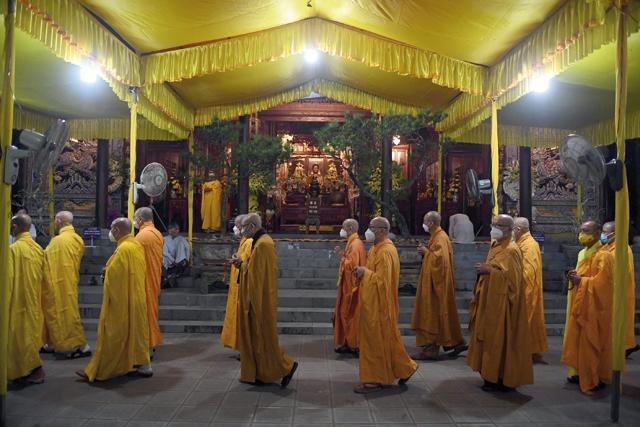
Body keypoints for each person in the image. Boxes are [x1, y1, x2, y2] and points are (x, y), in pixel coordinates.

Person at [77, 218, 151, 381]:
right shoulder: (136, 245)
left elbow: (115, 276)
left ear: (117, 231)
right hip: (136, 297)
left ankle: (104, 369)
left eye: (112, 228)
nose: (110, 232)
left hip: (123, 300)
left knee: (114, 333)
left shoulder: (123, 249)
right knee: (136, 331)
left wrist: (106, 272)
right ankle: (140, 364)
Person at [467, 214, 533, 392]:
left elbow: (513, 282)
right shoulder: (496, 245)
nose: (493, 228)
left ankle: (501, 378)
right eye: (493, 224)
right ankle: (489, 375)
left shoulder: (511, 250)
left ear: (510, 229)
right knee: (488, 340)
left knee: (499, 342)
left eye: (498, 225)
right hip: (490, 301)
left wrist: (490, 271)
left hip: (503, 306)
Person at [353, 217, 418, 394]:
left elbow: (382, 282)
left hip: (380, 304)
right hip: (372, 302)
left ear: (382, 230)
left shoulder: (385, 252)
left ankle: (374, 379)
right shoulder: (376, 248)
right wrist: (363, 272)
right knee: (387, 340)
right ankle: (405, 368)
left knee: (375, 341)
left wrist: (364, 272)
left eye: (371, 227)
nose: (368, 230)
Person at [234, 213, 298, 387]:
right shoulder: (260, 242)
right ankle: (261, 373)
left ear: (253, 226)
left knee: (265, 339)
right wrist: (242, 263)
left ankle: (287, 366)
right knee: (259, 339)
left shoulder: (264, 244)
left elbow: (257, 275)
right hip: (258, 297)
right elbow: (253, 267)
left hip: (260, 300)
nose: (242, 230)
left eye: (244, 227)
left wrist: (243, 266)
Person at [562, 220, 614, 394]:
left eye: (586, 231)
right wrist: (574, 277)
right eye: (581, 230)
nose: (581, 234)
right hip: (579, 302)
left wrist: (581, 281)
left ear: (598, 233)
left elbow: (603, 284)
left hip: (593, 307)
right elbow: (583, 275)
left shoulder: (604, 255)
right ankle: (578, 371)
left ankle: (593, 376)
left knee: (590, 342)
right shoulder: (582, 253)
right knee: (577, 339)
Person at [411, 211, 466, 361]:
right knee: (442, 314)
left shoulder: (440, 237)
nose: (423, 224)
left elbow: (440, 262)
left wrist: (427, 253)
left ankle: (431, 349)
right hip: (436, 283)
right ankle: (454, 343)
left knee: (433, 314)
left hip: (437, 285)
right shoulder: (438, 236)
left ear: (430, 223)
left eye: (424, 221)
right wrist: (427, 253)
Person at [42, 211, 90, 358]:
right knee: (67, 312)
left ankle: (77, 345)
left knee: (63, 313)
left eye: (55, 221)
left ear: (59, 221)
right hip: (70, 281)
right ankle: (54, 342)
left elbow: (45, 261)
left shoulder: (58, 241)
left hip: (59, 283)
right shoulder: (77, 239)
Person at [8, 214, 46, 384]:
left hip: (17, 299)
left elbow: (8, 278)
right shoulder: (37, 248)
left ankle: (32, 369)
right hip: (33, 299)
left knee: (18, 336)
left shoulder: (14, 249)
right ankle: (28, 370)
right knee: (28, 334)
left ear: (15, 227)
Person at [601, 221, 639, 358]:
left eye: (605, 232)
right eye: (602, 231)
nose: (603, 235)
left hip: (618, 294)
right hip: (608, 293)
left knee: (620, 323)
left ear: (615, 233)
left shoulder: (622, 249)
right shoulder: (607, 246)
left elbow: (620, 274)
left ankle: (625, 347)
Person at [513, 217, 548, 363]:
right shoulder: (522, 243)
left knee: (525, 322)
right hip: (524, 289)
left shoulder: (529, 245)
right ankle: (529, 351)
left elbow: (528, 273)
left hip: (526, 290)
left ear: (519, 229)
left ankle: (526, 351)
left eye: (512, 228)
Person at [220, 214, 253, 354]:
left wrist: (238, 261)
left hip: (243, 285)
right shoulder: (244, 240)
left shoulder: (250, 242)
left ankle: (245, 348)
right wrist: (235, 259)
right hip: (237, 284)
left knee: (243, 319)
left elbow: (246, 263)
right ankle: (239, 346)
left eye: (238, 226)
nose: (236, 228)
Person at [333, 218, 366, 355]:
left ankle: (354, 344)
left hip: (351, 287)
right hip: (347, 284)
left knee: (349, 314)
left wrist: (341, 255)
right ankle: (348, 342)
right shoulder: (353, 242)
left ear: (351, 228)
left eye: (344, 227)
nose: (342, 230)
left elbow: (352, 266)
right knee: (345, 313)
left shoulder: (355, 244)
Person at [134, 207, 164, 353]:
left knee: (144, 313)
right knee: (150, 311)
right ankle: (149, 343)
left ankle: (146, 345)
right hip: (153, 279)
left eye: (135, 218)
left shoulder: (142, 236)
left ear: (140, 219)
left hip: (144, 280)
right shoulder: (157, 233)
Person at [163, 222, 190, 288]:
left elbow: (187, 250)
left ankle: (172, 276)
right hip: (170, 260)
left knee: (181, 244)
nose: (175, 231)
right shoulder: (165, 239)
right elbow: (165, 252)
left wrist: (187, 260)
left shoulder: (181, 239)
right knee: (164, 258)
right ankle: (166, 277)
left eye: (177, 229)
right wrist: (173, 261)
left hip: (180, 261)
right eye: (173, 229)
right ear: (169, 230)